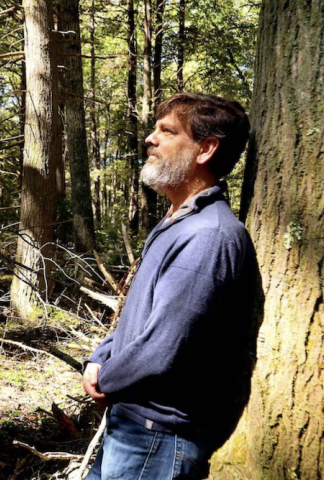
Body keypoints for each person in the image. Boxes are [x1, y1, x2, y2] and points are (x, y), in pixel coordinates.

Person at [83, 92, 261, 479]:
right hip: (136, 427)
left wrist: (106, 380)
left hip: (159, 438)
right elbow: (139, 316)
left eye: (167, 131)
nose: (150, 138)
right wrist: (99, 357)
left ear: (206, 149)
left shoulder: (208, 235)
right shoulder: (177, 221)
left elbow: (164, 345)